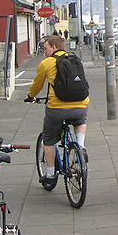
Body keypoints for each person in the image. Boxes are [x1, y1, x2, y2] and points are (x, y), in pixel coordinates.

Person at [25, 35, 89, 186]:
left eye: (45, 48)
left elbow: (37, 85)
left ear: (54, 47)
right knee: (80, 120)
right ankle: (80, 146)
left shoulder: (46, 63)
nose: (44, 51)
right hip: (81, 104)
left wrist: (30, 96)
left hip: (57, 108)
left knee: (48, 138)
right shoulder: (75, 60)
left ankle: (49, 173)